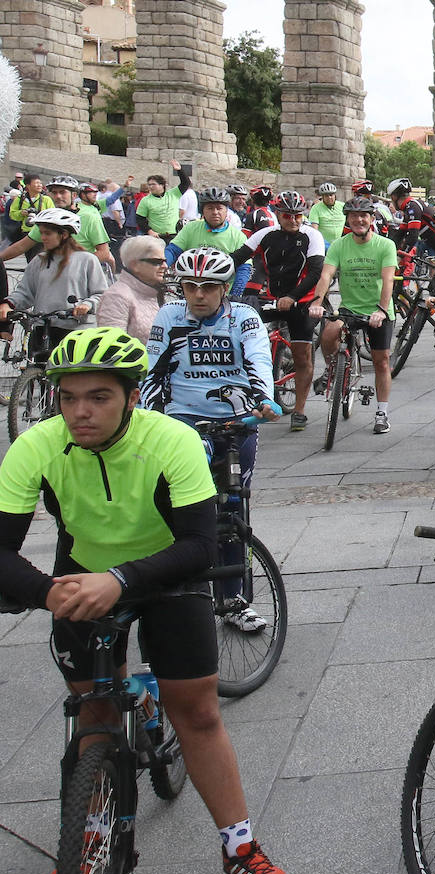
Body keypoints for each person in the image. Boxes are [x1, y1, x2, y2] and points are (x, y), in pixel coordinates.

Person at [0, 327, 290, 874]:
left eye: (98, 397)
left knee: (198, 712)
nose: (80, 412)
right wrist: (47, 592)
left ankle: (240, 847)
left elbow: (201, 546)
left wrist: (121, 580)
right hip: (81, 574)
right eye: (68, 397)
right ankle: (87, 836)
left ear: (132, 396)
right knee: (94, 712)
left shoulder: (172, 440)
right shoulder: (36, 446)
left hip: (168, 573)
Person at [141, 246, 279, 632]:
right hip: (183, 421)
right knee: (184, 504)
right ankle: (177, 584)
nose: (198, 295)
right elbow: (153, 371)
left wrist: (264, 399)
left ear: (224, 289)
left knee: (233, 508)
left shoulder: (243, 317)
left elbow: (258, 359)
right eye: (190, 287)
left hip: (236, 421)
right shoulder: (169, 316)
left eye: (207, 287)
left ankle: (235, 599)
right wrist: (153, 419)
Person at [229, 191, 326, 431]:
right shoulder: (265, 234)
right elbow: (236, 258)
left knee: (302, 355)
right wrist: (210, 278)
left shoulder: (311, 235)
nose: (293, 220)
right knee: (239, 335)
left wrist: (292, 297)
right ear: (278, 215)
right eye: (287, 216)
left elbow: (315, 272)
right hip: (273, 297)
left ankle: (300, 410)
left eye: (297, 216)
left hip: (301, 301)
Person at [309, 196, 398, 435]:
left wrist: (381, 310)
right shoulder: (339, 245)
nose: (359, 220)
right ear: (347, 219)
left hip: (378, 309)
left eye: (363, 216)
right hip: (349, 307)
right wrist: (316, 302)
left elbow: (388, 280)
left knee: (381, 361)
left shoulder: (385, 245)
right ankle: (332, 370)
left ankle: (382, 412)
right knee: (329, 332)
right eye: (353, 216)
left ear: (371, 219)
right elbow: (326, 275)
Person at [0, 208, 104, 336]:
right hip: (42, 329)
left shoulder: (87, 260)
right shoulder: (38, 261)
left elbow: (101, 294)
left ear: (64, 234)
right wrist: (8, 304)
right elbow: (25, 292)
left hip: (76, 331)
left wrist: (87, 305)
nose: (43, 238)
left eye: (47, 234)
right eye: (41, 233)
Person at [167, 187, 252, 298]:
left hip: (222, 293)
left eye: (219, 208)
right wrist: (160, 265)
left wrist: (234, 295)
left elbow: (244, 268)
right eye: (210, 208)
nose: (215, 212)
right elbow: (173, 250)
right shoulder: (191, 228)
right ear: (202, 211)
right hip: (191, 290)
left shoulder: (238, 236)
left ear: (226, 210)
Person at [96, 235, 168, 343]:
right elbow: (113, 345)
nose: (165, 266)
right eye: (157, 262)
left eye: (165, 260)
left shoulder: (155, 291)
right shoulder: (116, 297)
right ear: (135, 265)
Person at [137, 162, 192, 241]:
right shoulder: (145, 200)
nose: (150, 187)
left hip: (174, 235)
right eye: (149, 185)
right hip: (157, 237)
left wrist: (179, 170)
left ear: (162, 185)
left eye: (153, 184)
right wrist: (149, 231)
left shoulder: (173, 194)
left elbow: (186, 183)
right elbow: (140, 219)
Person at [8, 174, 53, 258]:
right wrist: (21, 213)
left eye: (40, 183)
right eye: (36, 183)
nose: (40, 185)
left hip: (41, 232)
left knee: (39, 257)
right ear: (28, 185)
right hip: (27, 232)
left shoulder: (46, 199)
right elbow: (12, 214)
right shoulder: (20, 199)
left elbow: (52, 214)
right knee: (30, 257)